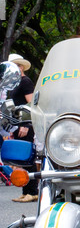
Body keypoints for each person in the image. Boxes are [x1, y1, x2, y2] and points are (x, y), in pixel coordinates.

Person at [8, 54, 38, 202]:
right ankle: (26, 190)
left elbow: (31, 104)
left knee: (28, 157)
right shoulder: (15, 83)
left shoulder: (25, 82)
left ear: (20, 67)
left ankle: (32, 191)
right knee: (21, 159)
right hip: (17, 124)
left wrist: (26, 123)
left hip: (25, 124)